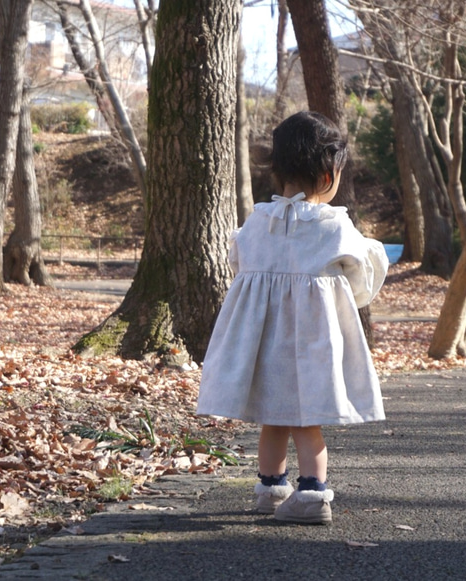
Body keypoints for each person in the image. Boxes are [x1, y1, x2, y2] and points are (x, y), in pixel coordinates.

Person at [197, 111, 389, 525]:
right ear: (327, 176)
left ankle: (270, 488)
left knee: (273, 420)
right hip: (312, 346)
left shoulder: (257, 222)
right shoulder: (334, 227)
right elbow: (361, 278)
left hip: (263, 342)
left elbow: (239, 264)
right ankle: (313, 496)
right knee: (307, 423)